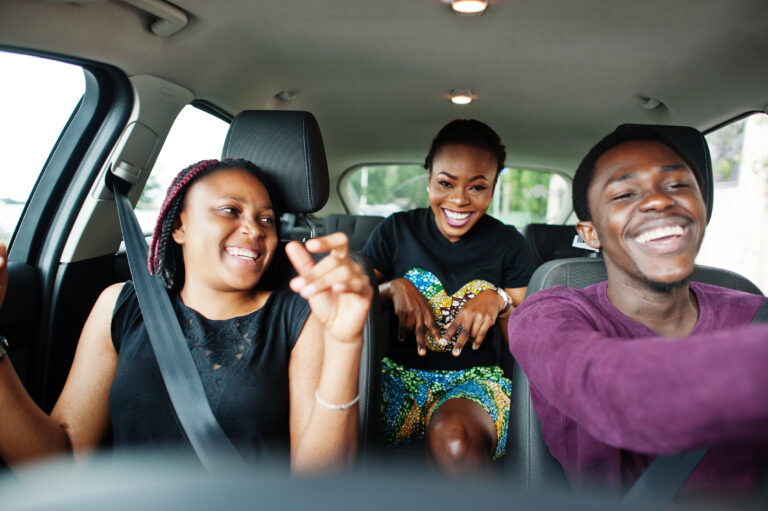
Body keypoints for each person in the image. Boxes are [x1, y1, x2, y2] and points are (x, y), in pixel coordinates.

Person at [0, 158, 372, 474]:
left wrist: (345, 342)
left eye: (268, 220)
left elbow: (319, 487)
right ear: (179, 226)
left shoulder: (297, 316)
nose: (254, 229)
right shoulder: (120, 306)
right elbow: (57, 464)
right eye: (230, 210)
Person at [507, 125, 768, 499]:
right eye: (625, 193)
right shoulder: (546, 315)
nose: (659, 201)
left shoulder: (756, 311)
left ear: (702, 207)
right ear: (590, 233)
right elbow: (612, 391)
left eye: (678, 185)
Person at [361, 119, 535, 474]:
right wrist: (391, 288)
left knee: (455, 440)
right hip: (392, 378)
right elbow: (350, 305)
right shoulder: (396, 230)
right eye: (445, 183)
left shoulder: (509, 244)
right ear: (428, 179)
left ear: (493, 189)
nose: (458, 199)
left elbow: (529, 343)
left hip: (473, 383)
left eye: (477, 187)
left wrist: (499, 301)